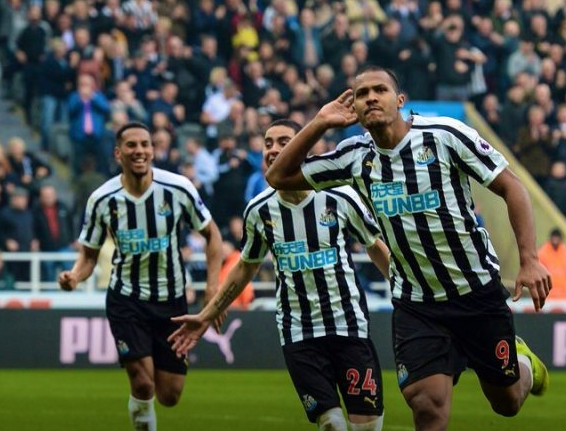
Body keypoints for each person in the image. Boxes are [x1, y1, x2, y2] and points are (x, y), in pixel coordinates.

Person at [265, 67, 552, 431]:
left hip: (475, 291)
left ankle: (522, 360)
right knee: (426, 405)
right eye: (361, 92)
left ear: (399, 100)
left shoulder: (444, 136)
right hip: (417, 303)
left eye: (379, 90)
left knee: (507, 402)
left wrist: (528, 260)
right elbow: (278, 178)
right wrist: (320, 123)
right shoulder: (354, 156)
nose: (370, 97)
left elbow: (512, 187)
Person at [169, 119, 390, 431]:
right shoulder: (259, 210)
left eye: (283, 141)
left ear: (302, 145)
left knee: (366, 426)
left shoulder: (340, 197)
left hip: (348, 324)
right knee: (331, 424)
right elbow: (246, 266)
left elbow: (375, 246)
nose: (273, 149)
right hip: (298, 331)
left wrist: (407, 288)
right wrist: (207, 314)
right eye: (268, 143)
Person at [58, 122, 223, 431]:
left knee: (169, 394)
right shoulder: (102, 199)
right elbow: (89, 255)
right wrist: (75, 277)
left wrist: (212, 288)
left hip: (172, 301)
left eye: (145, 144)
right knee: (143, 383)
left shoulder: (178, 188)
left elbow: (212, 236)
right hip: (127, 300)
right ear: (118, 153)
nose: (140, 151)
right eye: (131, 146)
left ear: (153, 149)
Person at [538, 228, 566, 299]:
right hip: (548, 295)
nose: (555, 239)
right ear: (550, 237)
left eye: (557, 237)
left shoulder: (564, 251)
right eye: (554, 236)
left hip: (564, 295)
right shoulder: (542, 252)